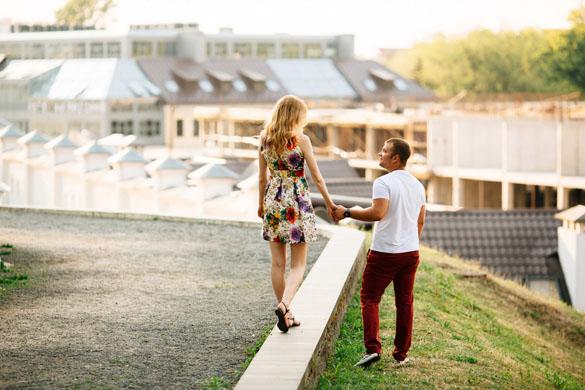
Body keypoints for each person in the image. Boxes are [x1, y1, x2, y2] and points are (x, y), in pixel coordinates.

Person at [333, 138, 426, 367]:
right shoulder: (418, 185)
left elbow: (377, 213)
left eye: (384, 151)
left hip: (385, 252)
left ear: (396, 158)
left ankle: (372, 349)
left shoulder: (383, 182)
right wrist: (409, 242)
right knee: (405, 302)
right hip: (410, 252)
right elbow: (420, 221)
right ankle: (401, 354)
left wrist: (347, 212)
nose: (379, 154)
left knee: (370, 297)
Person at [258, 95, 336, 333]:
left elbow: (262, 177)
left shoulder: (265, 139)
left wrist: (261, 204)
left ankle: (287, 312)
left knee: (277, 263)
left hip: (273, 200)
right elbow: (317, 177)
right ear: (297, 116)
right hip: (296, 202)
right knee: (299, 264)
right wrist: (330, 204)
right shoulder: (301, 140)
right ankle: (285, 306)